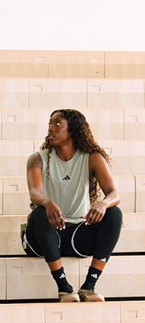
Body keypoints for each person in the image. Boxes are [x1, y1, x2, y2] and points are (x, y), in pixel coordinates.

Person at [23, 109, 122, 302]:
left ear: (74, 129)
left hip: (77, 236)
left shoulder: (92, 157)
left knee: (114, 214)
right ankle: (64, 288)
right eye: (50, 123)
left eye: (57, 123)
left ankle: (89, 286)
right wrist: (48, 202)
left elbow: (114, 194)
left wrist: (103, 203)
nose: (51, 128)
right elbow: (35, 192)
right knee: (39, 213)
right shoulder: (38, 158)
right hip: (44, 237)